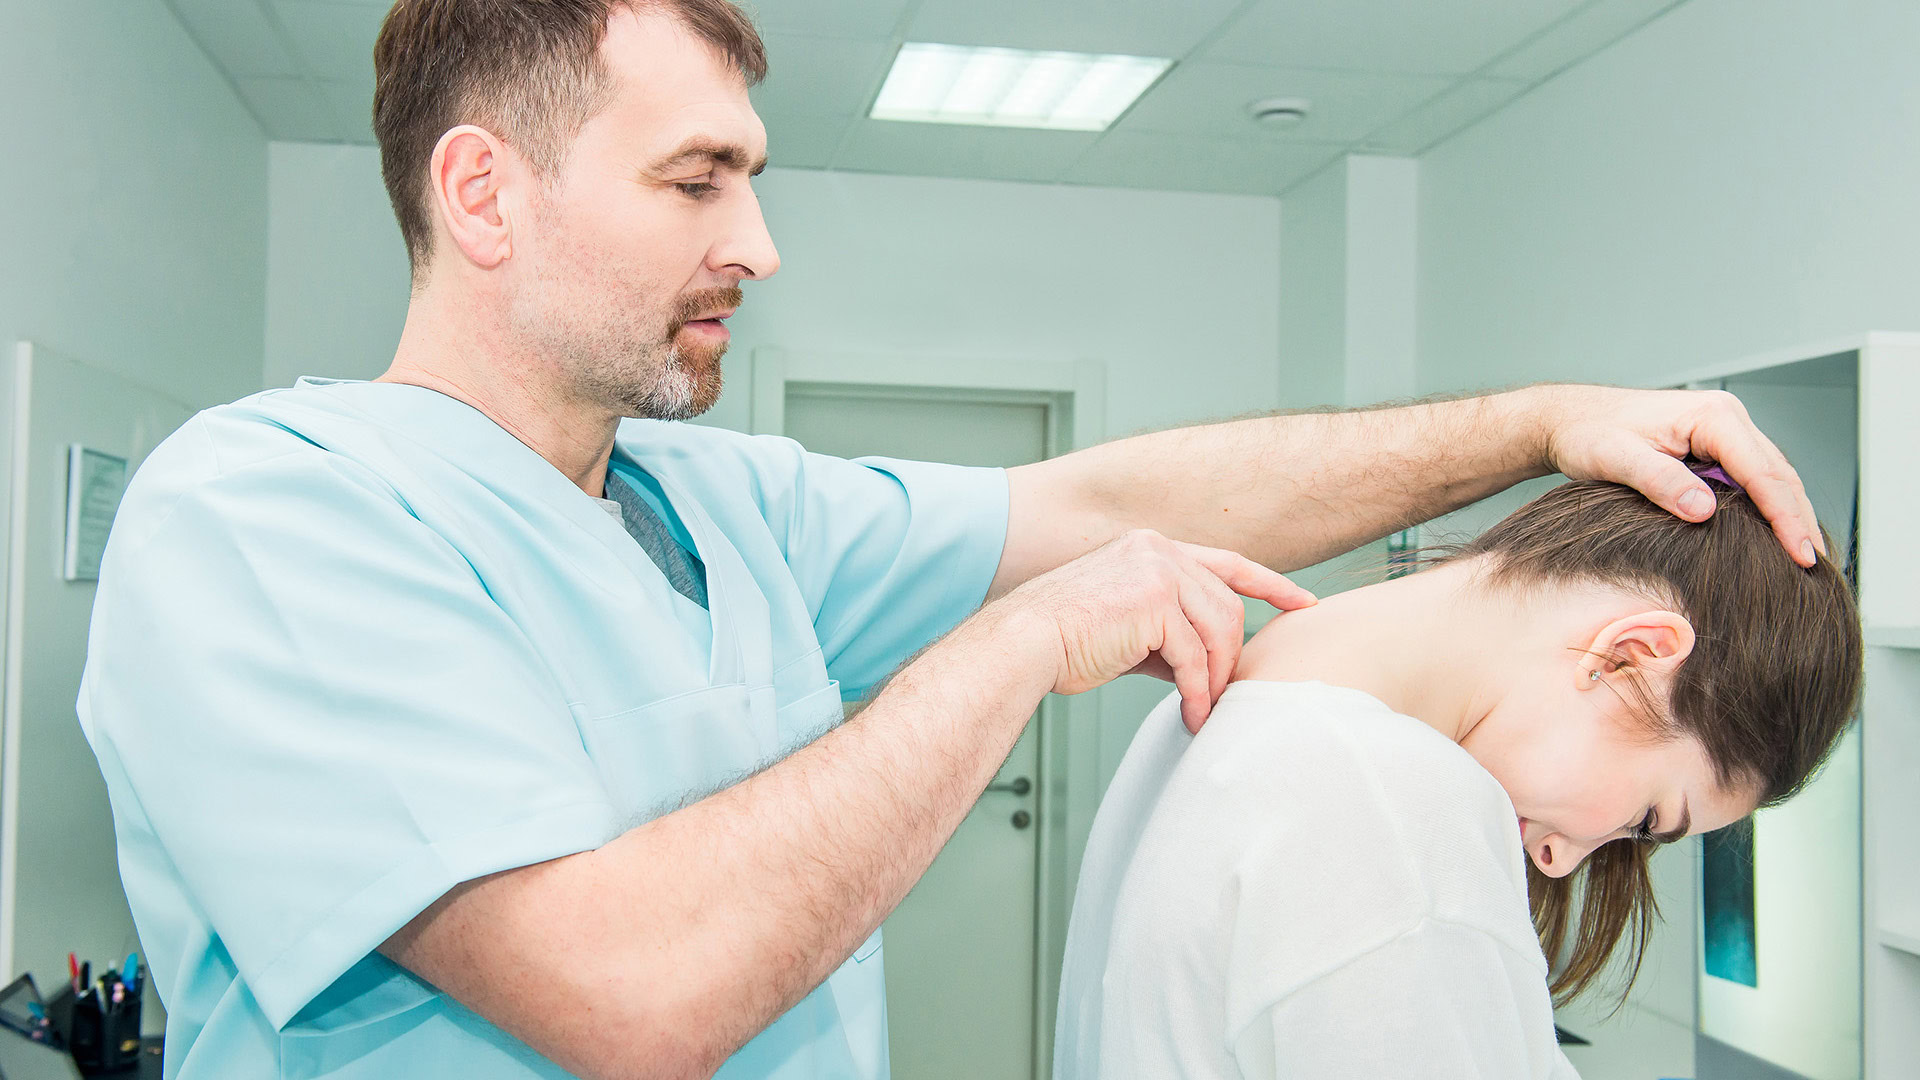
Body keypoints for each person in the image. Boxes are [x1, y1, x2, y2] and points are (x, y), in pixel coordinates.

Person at [73, 1, 1829, 1077]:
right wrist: (1021, 646)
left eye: (752, 179)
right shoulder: (266, 516)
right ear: (483, 196)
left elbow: (1115, 501)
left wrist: (1530, 428)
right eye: (698, 182)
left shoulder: (719, 505)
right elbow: (626, 995)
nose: (756, 243)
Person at [1054, 472, 1861, 1079]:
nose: (1558, 860)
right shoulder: (1390, 800)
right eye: (1645, 819)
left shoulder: (1199, 719)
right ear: (1631, 657)